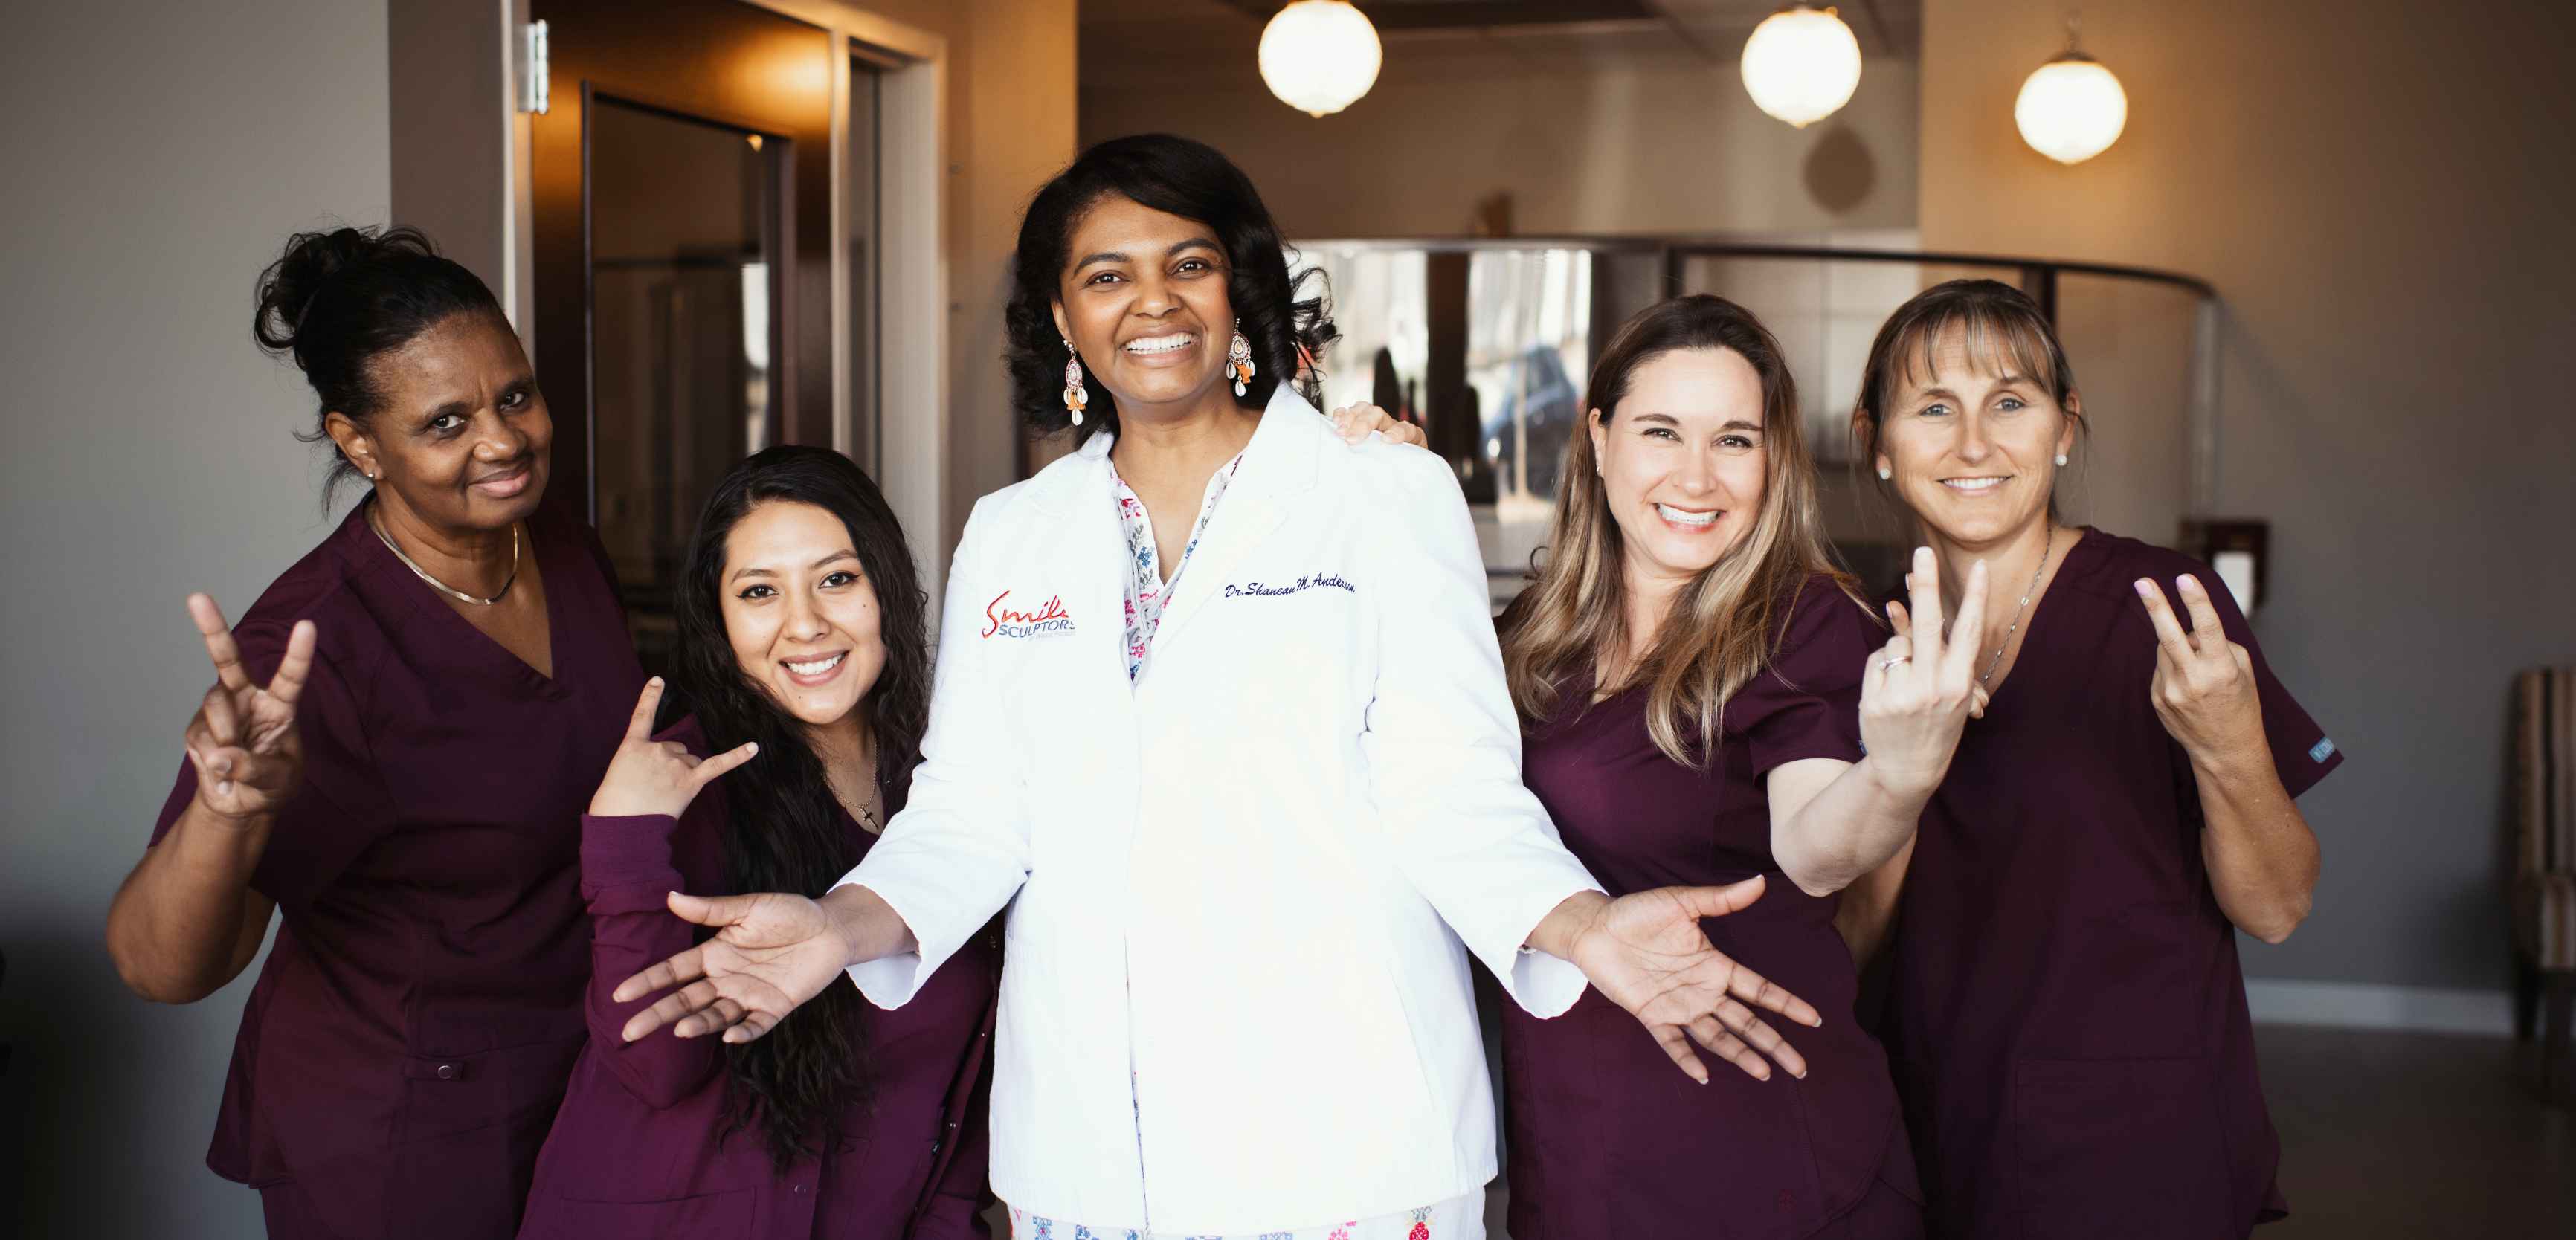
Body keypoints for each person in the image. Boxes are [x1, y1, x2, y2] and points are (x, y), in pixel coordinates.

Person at [608, 134, 1822, 1240]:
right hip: (1090, 1163)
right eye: (1104, 274)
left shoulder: (1381, 497)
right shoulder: (1013, 534)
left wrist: (1583, 924)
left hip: (1345, 1141)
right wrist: (837, 923)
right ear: (1060, 316)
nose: (1150, 301)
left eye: (1186, 263)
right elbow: (974, 810)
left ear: (1237, 289)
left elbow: (1446, 780)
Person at [103, 226, 648, 1237]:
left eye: (515, 395)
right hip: (402, 1132)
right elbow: (156, 967)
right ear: (359, 442)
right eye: (446, 422)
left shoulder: (557, 543)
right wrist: (227, 809)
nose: (504, 440)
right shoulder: (312, 649)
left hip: (574, 1081)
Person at [1835, 280, 2339, 1239]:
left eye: (2010, 403)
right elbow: (1849, 942)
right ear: (1879, 445)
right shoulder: (1857, 636)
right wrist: (1904, 771)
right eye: (1933, 408)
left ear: (2065, 430)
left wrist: (2230, 742)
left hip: (2136, 1141)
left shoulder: (2166, 604)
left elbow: (2277, 908)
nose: (1973, 444)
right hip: (1923, 1123)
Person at [1490, 294, 1976, 1239]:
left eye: (1735, 442)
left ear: (1772, 460)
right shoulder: (1532, 636)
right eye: (1661, 431)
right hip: (1578, 1148)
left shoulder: (1805, 624)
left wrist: (1898, 775)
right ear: (1597, 439)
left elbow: (1813, 849)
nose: (1697, 477)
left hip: (1766, 1160)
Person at [518, 447, 996, 1238]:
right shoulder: (683, 784)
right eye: (759, 592)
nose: (805, 624)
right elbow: (654, 1066)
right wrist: (623, 841)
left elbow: (968, 1062)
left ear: (886, 587)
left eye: (837, 579)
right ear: (719, 618)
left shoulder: (959, 784)